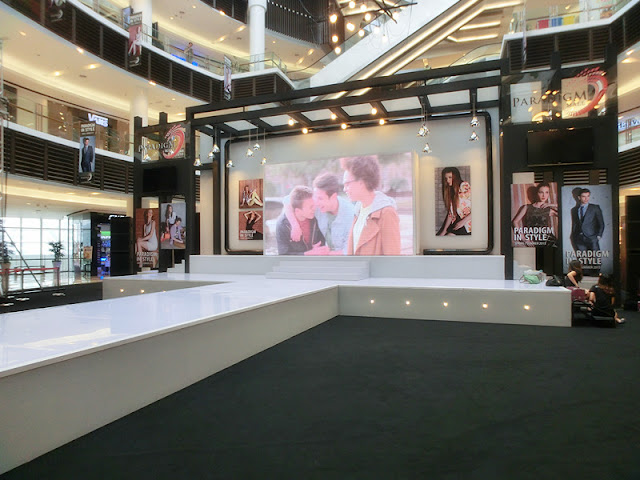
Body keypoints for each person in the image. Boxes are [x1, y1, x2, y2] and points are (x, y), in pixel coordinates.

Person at [342, 156, 400, 255]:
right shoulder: (358, 211)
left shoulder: (386, 213)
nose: (344, 189)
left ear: (361, 182)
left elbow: (393, 258)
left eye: (347, 184)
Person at [285, 172, 355, 255]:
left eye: (320, 198)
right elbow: (287, 201)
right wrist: (295, 225)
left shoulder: (351, 215)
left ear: (333, 197)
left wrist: (324, 254)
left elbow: (349, 251)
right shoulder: (316, 204)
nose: (316, 202)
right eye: (315, 196)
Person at [276, 186, 327, 255]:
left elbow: (321, 241)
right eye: (311, 207)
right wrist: (308, 254)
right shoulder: (283, 225)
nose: (315, 208)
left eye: (314, 205)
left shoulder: (315, 218)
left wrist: (318, 248)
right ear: (298, 211)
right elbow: (283, 255)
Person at [511, 182, 558, 246]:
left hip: (549, 241)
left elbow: (563, 213)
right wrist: (523, 238)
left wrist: (552, 204)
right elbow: (515, 221)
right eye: (541, 192)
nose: (544, 195)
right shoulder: (527, 207)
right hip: (534, 240)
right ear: (537, 193)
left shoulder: (548, 209)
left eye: (546, 192)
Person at [570, 188, 604, 274]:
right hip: (579, 239)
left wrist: (598, 236)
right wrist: (573, 236)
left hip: (592, 238)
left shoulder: (595, 208)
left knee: (596, 259)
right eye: (584, 196)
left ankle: (596, 276)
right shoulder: (574, 210)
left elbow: (601, 223)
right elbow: (575, 224)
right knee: (583, 261)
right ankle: (585, 277)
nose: (586, 198)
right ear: (579, 197)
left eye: (588, 196)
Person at [437, 168, 471, 236]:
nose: (447, 180)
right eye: (446, 178)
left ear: (456, 177)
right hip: (457, 223)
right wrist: (444, 231)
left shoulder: (464, 186)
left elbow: (477, 207)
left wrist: (463, 221)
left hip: (468, 223)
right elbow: (451, 214)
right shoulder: (451, 191)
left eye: (450, 177)